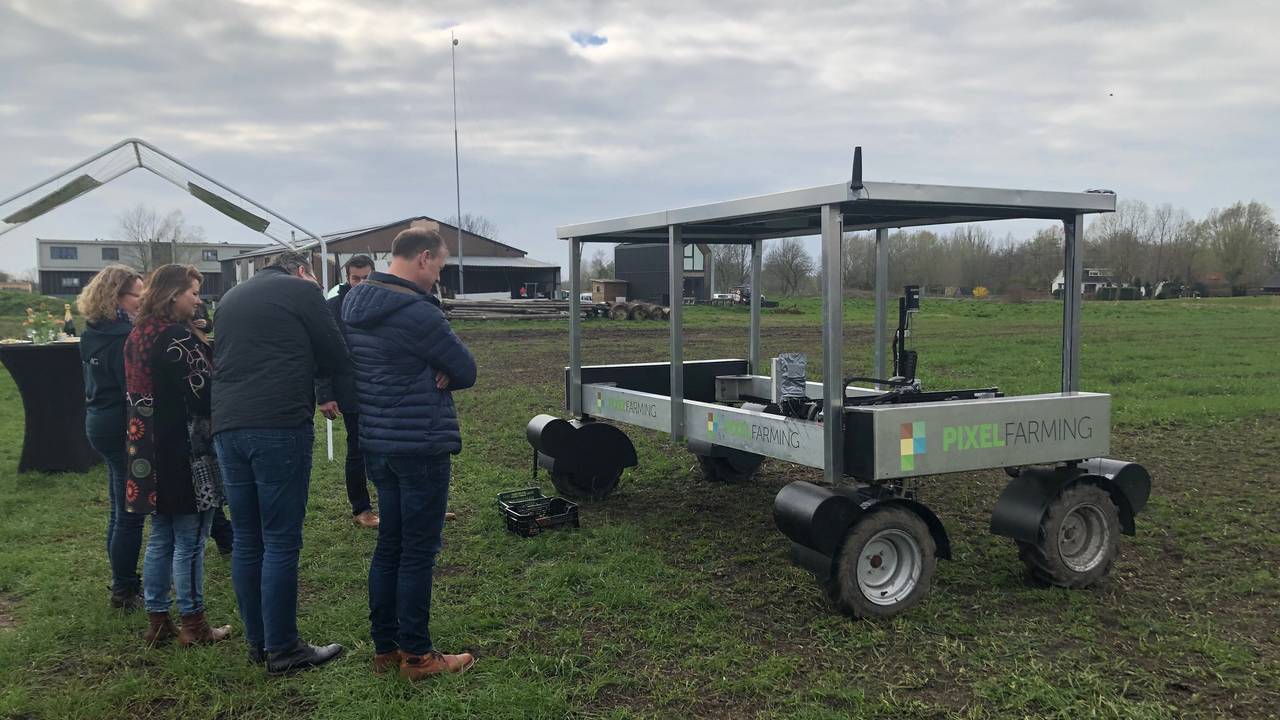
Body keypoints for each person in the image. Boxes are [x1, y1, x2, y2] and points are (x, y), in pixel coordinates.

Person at [342, 228, 477, 679]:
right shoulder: (418, 312)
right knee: (418, 551)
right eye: (438, 266)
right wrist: (440, 369)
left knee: (390, 545)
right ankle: (418, 656)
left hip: (376, 442)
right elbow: (465, 368)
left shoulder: (353, 303)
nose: (438, 276)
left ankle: (385, 648)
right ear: (423, 258)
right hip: (419, 443)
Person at [212, 250, 350, 675]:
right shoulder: (301, 290)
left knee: (248, 537)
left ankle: (259, 642)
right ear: (304, 270)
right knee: (281, 540)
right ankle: (285, 649)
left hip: (227, 426)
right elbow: (337, 352)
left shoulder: (231, 297)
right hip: (277, 423)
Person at [123, 264, 231, 648]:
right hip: (183, 449)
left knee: (161, 536)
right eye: (193, 292)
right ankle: (193, 624)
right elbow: (205, 395)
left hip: (146, 447)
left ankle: (157, 622)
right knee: (191, 537)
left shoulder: (137, 334)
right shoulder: (177, 339)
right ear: (173, 295)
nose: (198, 299)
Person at [77, 264, 145, 611]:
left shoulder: (92, 331)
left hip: (97, 421)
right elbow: (131, 390)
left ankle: (124, 582)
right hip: (119, 424)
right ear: (117, 297)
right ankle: (124, 589)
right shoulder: (123, 337)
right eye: (138, 293)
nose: (143, 299)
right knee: (131, 511)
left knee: (119, 507)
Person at [315, 254, 379, 528]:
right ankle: (361, 508)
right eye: (356, 278)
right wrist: (325, 394)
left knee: (392, 449)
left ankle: (401, 504)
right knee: (357, 450)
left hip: (383, 389)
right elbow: (320, 353)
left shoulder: (384, 303)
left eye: (366, 278)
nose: (361, 283)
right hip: (350, 390)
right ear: (347, 278)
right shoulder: (331, 309)